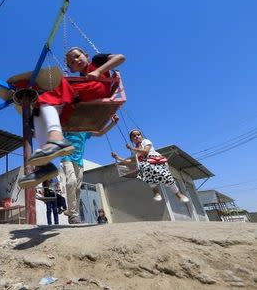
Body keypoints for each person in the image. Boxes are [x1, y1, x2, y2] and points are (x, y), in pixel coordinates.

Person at [18, 47, 126, 188]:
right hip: (79, 98)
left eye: (77, 56)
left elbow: (120, 57)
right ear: (72, 69)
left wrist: (99, 71)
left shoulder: (96, 61)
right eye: (72, 62)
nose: (76, 60)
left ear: (86, 55)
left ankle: (56, 140)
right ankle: (46, 166)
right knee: (39, 111)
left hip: (98, 88)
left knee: (57, 87)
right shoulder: (80, 78)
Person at [60, 114, 119, 224]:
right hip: (67, 157)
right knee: (71, 182)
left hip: (79, 162)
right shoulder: (68, 127)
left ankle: (71, 211)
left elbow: (100, 133)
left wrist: (113, 123)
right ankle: (73, 214)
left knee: (77, 188)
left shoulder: (85, 131)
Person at [111, 129, 189, 203]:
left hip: (156, 161)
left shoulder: (146, 141)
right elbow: (131, 161)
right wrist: (117, 158)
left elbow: (145, 151)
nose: (137, 136)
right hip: (146, 165)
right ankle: (156, 192)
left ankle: (178, 194)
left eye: (138, 134)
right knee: (146, 174)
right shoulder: (134, 151)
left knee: (166, 177)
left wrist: (132, 148)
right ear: (131, 140)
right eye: (134, 136)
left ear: (141, 136)